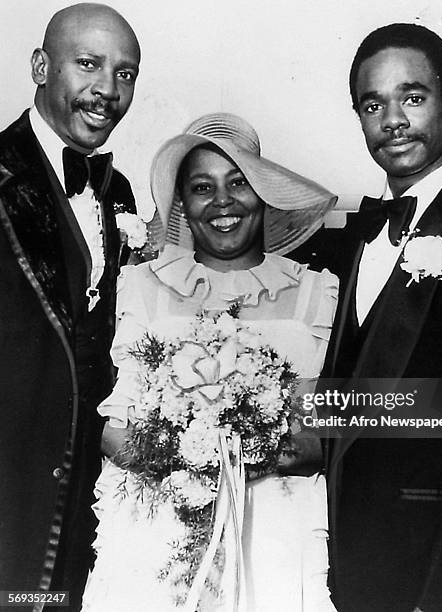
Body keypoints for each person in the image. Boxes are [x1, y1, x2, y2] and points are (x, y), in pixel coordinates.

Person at [291, 23, 442, 612]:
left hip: (434, 580)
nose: (393, 120)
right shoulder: (350, 240)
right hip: (335, 572)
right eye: (373, 104)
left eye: (413, 97)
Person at [80, 112, 339, 611]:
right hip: (159, 528)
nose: (223, 201)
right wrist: (186, 456)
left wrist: (243, 448)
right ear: (183, 203)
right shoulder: (141, 284)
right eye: (202, 186)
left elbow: (318, 440)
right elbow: (114, 430)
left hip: (273, 531)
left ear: (263, 194)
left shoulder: (317, 290)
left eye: (239, 182)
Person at [0, 3, 140, 608]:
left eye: (126, 74)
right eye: (88, 64)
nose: (107, 90)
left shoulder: (119, 191)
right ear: (40, 66)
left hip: (89, 494)